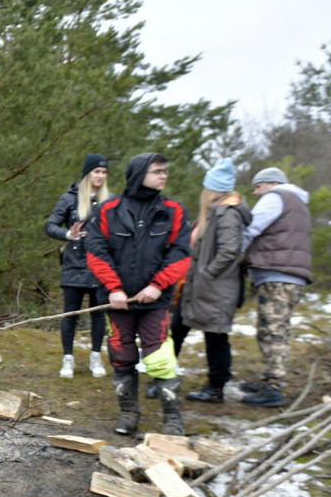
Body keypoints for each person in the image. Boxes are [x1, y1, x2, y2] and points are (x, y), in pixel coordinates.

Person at [86, 152, 192, 436]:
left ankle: (172, 419)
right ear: (138, 174)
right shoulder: (108, 210)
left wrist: (158, 285)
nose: (164, 175)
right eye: (157, 171)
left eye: (164, 171)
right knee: (121, 357)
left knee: (160, 357)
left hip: (155, 301)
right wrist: (114, 288)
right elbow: (96, 252)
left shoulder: (174, 210)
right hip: (116, 302)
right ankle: (129, 413)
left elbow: (181, 254)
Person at [176, 159, 251, 404]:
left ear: (213, 189)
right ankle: (163, 377)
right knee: (176, 327)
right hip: (198, 285)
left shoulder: (228, 213)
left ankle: (216, 388)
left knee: (215, 336)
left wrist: (207, 273)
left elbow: (230, 250)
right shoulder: (214, 211)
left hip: (216, 288)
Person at [238, 167, 312, 407]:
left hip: (277, 275)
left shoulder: (276, 198)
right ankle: (271, 379)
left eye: (258, 187)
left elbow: (251, 228)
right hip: (289, 275)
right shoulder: (298, 203)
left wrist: (232, 254)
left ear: (271, 184)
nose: (257, 193)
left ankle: (274, 388)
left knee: (273, 331)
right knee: (277, 328)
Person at [44, 153, 110, 379]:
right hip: (74, 265)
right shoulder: (69, 199)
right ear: (87, 173)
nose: (100, 176)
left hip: (101, 267)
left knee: (99, 315)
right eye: (96, 171)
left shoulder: (110, 200)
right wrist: (68, 234)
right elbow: (50, 225)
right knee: (70, 314)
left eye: (103, 172)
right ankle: (68, 360)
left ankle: (95, 357)